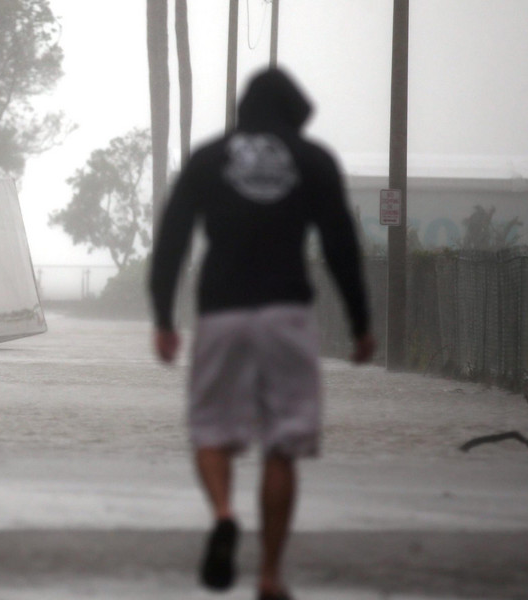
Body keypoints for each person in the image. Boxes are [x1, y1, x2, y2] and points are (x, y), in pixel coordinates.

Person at [148, 68, 375, 600]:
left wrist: (163, 318)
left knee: (210, 432)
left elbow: (173, 238)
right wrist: (362, 323)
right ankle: (270, 575)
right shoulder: (313, 160)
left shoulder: (209, 158)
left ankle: (225, 515)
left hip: (221, 313)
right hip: (287, 314)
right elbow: (341, 244)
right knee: (283, 443)